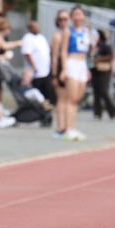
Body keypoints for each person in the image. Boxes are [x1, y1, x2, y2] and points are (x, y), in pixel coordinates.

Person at [58, 6, 91, 141]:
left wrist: (87, 68)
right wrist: (64, 69)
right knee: (70, 99)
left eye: (80, 14)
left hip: (82, 64)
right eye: (75, 14)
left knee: (77, 99)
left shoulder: (86, 30)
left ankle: (72, 126)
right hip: (72, 63)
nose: (77, 17)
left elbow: (87, 51)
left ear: (83, 17)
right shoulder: (68, 31)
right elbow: (63, 51)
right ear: (72, 17)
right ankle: (68, 129)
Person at [20, 20, 55, 106]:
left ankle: (47, 107)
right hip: (35, 72)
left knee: (48, 92)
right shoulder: (28, 38)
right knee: (38, 93)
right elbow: (27, 53)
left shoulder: (41, 37)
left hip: (45, 70)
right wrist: (34, 67)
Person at [50, 10, 70, 138]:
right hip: (60, 69)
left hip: (70, 67)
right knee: (61, 99)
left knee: (68, 99)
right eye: (61, 19)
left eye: (66, 19)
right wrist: (54, 75)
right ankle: (60, 127)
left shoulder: (69, 33)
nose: (63, 22)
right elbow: (54, 56)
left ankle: (67, 126)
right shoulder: (57, 36)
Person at [90, 29, 115, 120]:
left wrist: (99, 59)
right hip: (94, 70)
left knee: (103, 91)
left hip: (104, 71)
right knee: (96, 92)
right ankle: (97, 113)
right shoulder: (92, 46)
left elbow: (110, 56)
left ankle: (112, 111)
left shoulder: (105, 46)